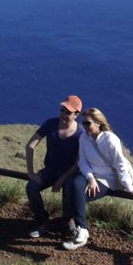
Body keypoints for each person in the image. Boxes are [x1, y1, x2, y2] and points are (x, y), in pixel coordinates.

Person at [62, 108, 133, 250]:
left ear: (98, 123)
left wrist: (129, 187)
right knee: (73, 183)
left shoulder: (110, 139)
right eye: (83, 123)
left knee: (76, 194)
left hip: (108, 179)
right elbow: (83, 162)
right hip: (91, 175)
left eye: (87, 123)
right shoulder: (84, 138)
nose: (84, 127)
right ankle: (81, 229)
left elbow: (120, 164)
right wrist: (91, 178)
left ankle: (76, 227)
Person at [25, 95, 84, 238]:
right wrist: (31, 173)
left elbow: (78, 162)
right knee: (31, 187)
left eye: (68, 112)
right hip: (50, 170)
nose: (63, 114)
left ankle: (68, 221)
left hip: (69, 173)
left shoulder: (81, 134)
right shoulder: (51, 123)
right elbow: (30, 146)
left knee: (70, 189)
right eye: (62, 110)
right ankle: (43, 222)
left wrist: (62, 179)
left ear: (76, 115)